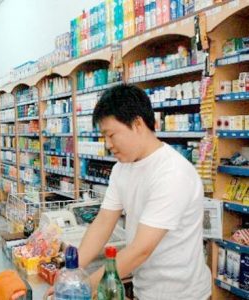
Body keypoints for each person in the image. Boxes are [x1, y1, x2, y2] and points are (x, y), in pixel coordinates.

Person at [78, 84, 211, 299]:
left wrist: (83, 287)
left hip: (182, 295)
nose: (108, 144)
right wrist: (72, 271)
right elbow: (103, 222)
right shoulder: (122, 168)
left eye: (111, 135)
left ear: (137, 124)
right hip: (144, 290)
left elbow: (141, 249)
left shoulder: (172, 173)